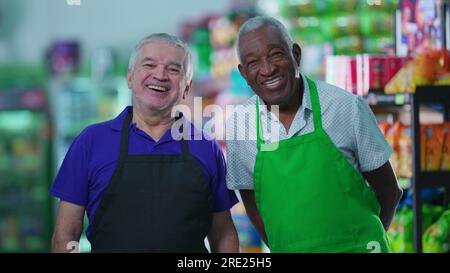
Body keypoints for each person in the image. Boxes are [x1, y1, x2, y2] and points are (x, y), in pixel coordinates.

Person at [226, 16, 403, 253]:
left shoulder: (345, 107)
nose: (268, 69)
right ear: (244, 73)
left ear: (296, 54)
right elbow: (253, 203)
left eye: (276, 54)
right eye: (253, 62)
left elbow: (390, 190)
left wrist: (361, 242)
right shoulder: (241, 125)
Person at [50, 33, 239, 253]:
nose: (160, 74)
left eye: (174, 69)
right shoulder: (90, 142)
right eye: (149, 64)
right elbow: (66, 233)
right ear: (130, 78)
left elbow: (223, 233)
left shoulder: (206, 147)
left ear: (186, 87)